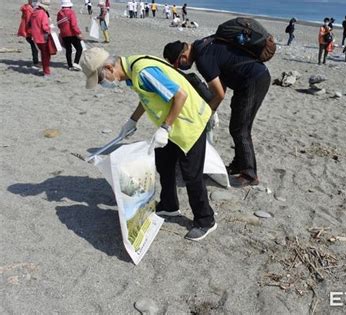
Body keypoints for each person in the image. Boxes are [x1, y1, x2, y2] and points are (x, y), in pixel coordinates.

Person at [80, 47, 217, 241]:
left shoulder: (142, 72)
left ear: (109, 68)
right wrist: (132, 120)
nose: (104, 84)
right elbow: (148, 97)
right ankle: (169, 206)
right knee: (164, 163)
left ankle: (206, 220)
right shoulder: (131, 71)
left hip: (190, 123)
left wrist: (165, 128)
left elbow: (181, 96)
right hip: (173, 125)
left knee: (191, 175)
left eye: (101, 79)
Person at [163, 39, 271, 187]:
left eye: (178, 65)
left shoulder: (202, 59)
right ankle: (239, 164)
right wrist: (212, 107)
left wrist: (208, 113)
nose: (182, 67)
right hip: (248, 80)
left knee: (240, 129)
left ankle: (250, 174)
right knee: (236, 126)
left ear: (182, 58)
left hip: (254, 81)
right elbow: (220, 83)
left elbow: (219, 94)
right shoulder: (205, 46)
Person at [57, 0, 83, 71]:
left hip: (64, 34)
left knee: (68, 50)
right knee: (79, 49)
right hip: (72, 33)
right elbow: (73, 25)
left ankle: (70, 66)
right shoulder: (71, 12)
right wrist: (79, 33)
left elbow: (59, 24)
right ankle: (76, 63)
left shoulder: (59, 13)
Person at [30, 0, 52, 76]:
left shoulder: (34, 12)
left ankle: (45, 70)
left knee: (43, 54)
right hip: (43, 37)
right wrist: (50, 30)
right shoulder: (43, 13)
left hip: (35, 37)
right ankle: (46, 71)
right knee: (46, 55)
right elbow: (45, 27)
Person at [17, 0, 39, 68]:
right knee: (35, 47)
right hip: (29, 32)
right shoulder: (29, 10)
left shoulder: (27, 8)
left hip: (27, 31)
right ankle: (35, 62)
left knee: (35, 47)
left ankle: (36, 62)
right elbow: (29, 22)